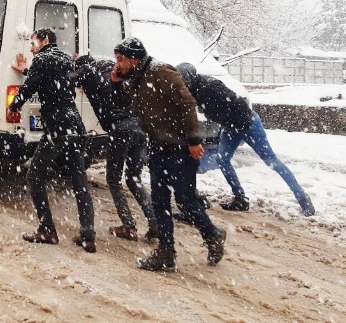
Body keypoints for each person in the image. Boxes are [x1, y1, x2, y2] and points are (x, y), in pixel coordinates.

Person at [112, 37, 226, 272]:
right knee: (160, 201)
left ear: (134, 59)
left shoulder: (162, 72)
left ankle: (212, 234)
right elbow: (124, 105)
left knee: (185, 200)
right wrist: (115, 82)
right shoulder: (135, 78)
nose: (117, 64)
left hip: (181, 148)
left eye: (120, 59)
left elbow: (187, 104)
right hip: (157, 146)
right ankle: (166, 254)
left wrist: (193, 141)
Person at [176, 62, 316, 216]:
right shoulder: (192, 90)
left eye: (183, 79)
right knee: (222, 160)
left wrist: (240, 126)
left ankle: (302, 197)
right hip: (230, 127)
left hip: (248, 125)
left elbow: (238, 104)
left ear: (189, 77)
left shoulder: (210, 87)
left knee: (271, 161)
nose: (181, 83)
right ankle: (240, 198)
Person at [9, 28, 97, 253]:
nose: (31, 48)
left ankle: (47, 230)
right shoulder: (66, 58)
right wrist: (28, 69)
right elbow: (57, 81)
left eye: (33, 43)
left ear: (45, 41)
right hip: (75, 126)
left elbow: (32, 87)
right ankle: (88, 235)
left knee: (34, 176)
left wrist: (15, 104)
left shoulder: (43, 59)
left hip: (57, 128)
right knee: (79, 183)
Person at [73, 54, 158, 242]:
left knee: (113, 178)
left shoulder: (88, 72)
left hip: (120, 130)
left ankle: (128, 226)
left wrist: (26, 71)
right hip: (139, 127)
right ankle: (155, 222)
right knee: (134, 178)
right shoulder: (110, 66)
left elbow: (64, 80)